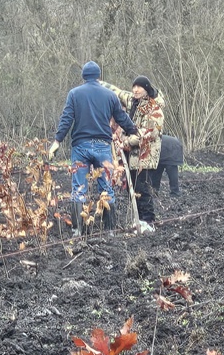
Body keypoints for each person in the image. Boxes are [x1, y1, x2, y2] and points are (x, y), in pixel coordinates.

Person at [49, 61, 138, 233]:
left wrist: (57, 141)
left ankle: (77, 231)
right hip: (102, 147)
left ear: (83, 76)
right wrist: (134, 130)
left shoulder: (74, 94)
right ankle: (109, 231)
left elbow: (66, 119)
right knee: (106, 188)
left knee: (79, 188)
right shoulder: (110, 95)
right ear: (99, 76)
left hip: (80, 147)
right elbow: (121, 117)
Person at [99, 75, 164, 232]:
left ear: (146, 89)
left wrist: (126, 142)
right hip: (131, 153)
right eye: (134, 87)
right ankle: (138, 220)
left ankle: (147, 221)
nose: (135, 90)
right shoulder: (132, 100)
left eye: (139, 87)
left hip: (144, 154)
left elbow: (148, 133)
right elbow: (118, 92)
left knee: (142, 186)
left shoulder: (154, 108)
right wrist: (99, 82)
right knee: (132, 186)